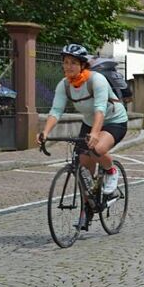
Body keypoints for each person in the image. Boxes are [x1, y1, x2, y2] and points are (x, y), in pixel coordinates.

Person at [38, 43, 129, 200]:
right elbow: (56, 111)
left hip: (114, 120)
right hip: (89, 122)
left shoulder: (96, 80)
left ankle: (111, 171)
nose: (68, 66)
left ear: (82, 65)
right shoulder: (64, 85)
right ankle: (87, 211)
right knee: (83, 169)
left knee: (97, 148)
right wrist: (45, 132)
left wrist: (94, 134)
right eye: (66, 62)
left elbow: (100, 108)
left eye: (73, 62)